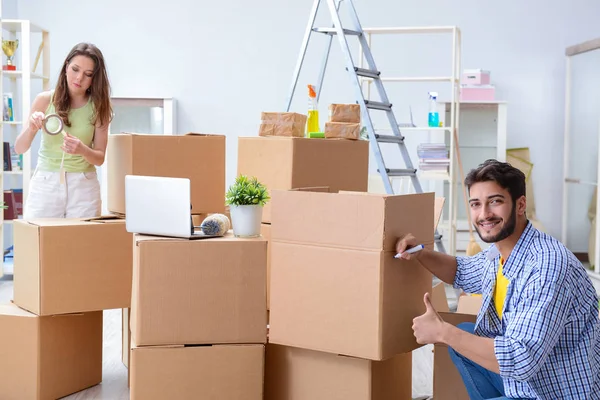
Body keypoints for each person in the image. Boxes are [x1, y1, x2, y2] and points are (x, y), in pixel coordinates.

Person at [396, 159, 600, 400]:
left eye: (495, 201)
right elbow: (461, 270)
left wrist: (442, 332)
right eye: (476, 204)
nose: (484, 214)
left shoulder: (547, 265)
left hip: (554, 392)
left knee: (457, 335)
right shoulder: (500, 252)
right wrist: (420, 252)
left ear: (520, 204)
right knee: (465, 333)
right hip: (528, 381)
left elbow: (521, 359)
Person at [15, 42, 112, 219]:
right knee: (41, 242)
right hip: (46, 182)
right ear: (66, 67)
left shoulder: (99, 107)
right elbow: (19, 148)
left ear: (94, 79)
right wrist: (31, 128)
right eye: (75, 69)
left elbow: (99, 158)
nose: (79, 78)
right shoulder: (44, 100)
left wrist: (82, 149)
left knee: (81, 243)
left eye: (87, 74)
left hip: (83, 186)